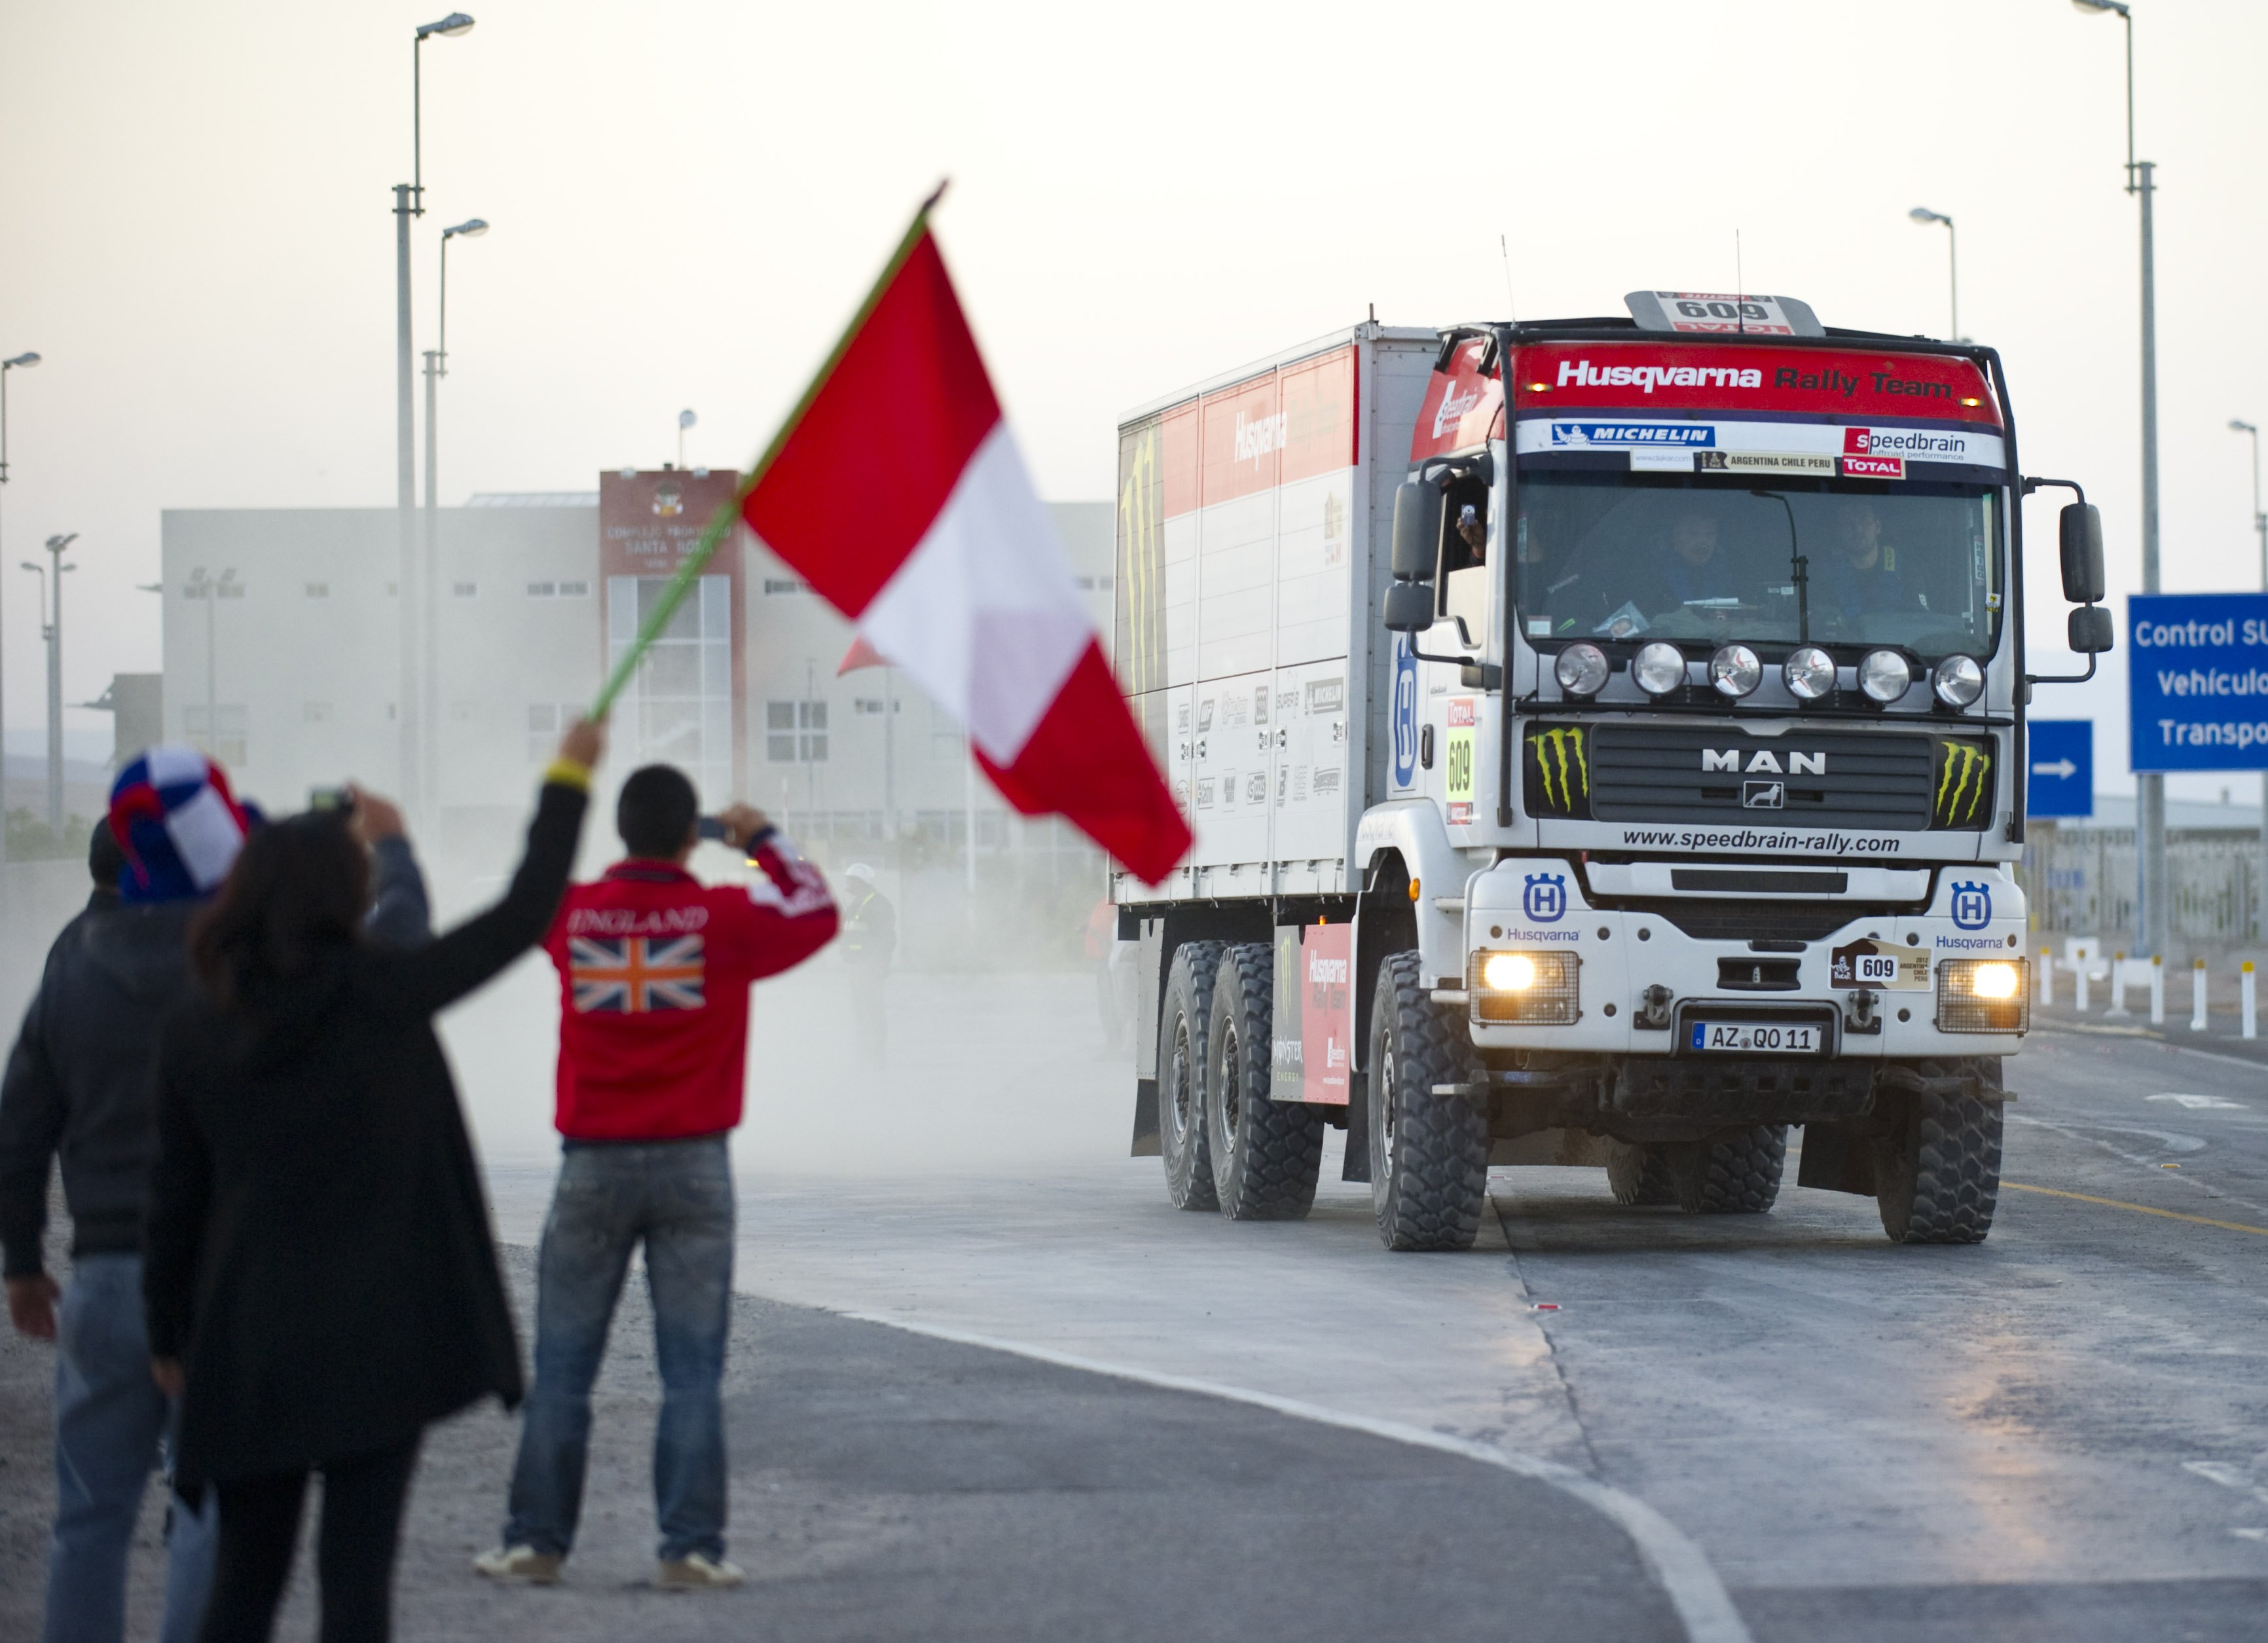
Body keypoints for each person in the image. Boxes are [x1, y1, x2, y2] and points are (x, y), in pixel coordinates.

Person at [141, 721, 603, 1643]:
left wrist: (167, 1335)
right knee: (357, 1583)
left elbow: (173, 1199)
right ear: (342, 896)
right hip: (377, 1337)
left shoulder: (199, 1025)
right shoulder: (384, 991)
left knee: (244, 1582)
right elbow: (522, 915)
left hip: (251, 1336)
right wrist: (564, 778)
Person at [477, 764, 837, 1591]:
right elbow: (817, 913)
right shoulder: (723, 916)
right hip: (695, 1165)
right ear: (691, 836)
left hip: (591, 1165)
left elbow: (523, 889)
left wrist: (562, 791)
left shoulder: (573, 915)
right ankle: (690, 1548)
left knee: (564, 1368)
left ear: (620, 831)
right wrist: (765, 842)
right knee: (691, 1372)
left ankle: (535, 1540)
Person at [0, 750, 260, 1643]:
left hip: (106, 1271)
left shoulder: (68, 967)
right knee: (209, 1509)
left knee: (88, 1517)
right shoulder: (230, 964)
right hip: (215, 1279)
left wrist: (24, 1262)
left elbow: (20, 1124)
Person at [839, 862, 896, 1061]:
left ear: (862, 883)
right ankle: (865, 1053)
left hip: (871, 969)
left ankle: (877, 1055)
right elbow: (847, 935)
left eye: (852, 881)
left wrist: (877, 966)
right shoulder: (854, 906)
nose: (849, 885)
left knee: (873, 1011)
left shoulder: (879, 905)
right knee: (860, 1013)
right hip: (856, 969)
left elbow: (887, 940)